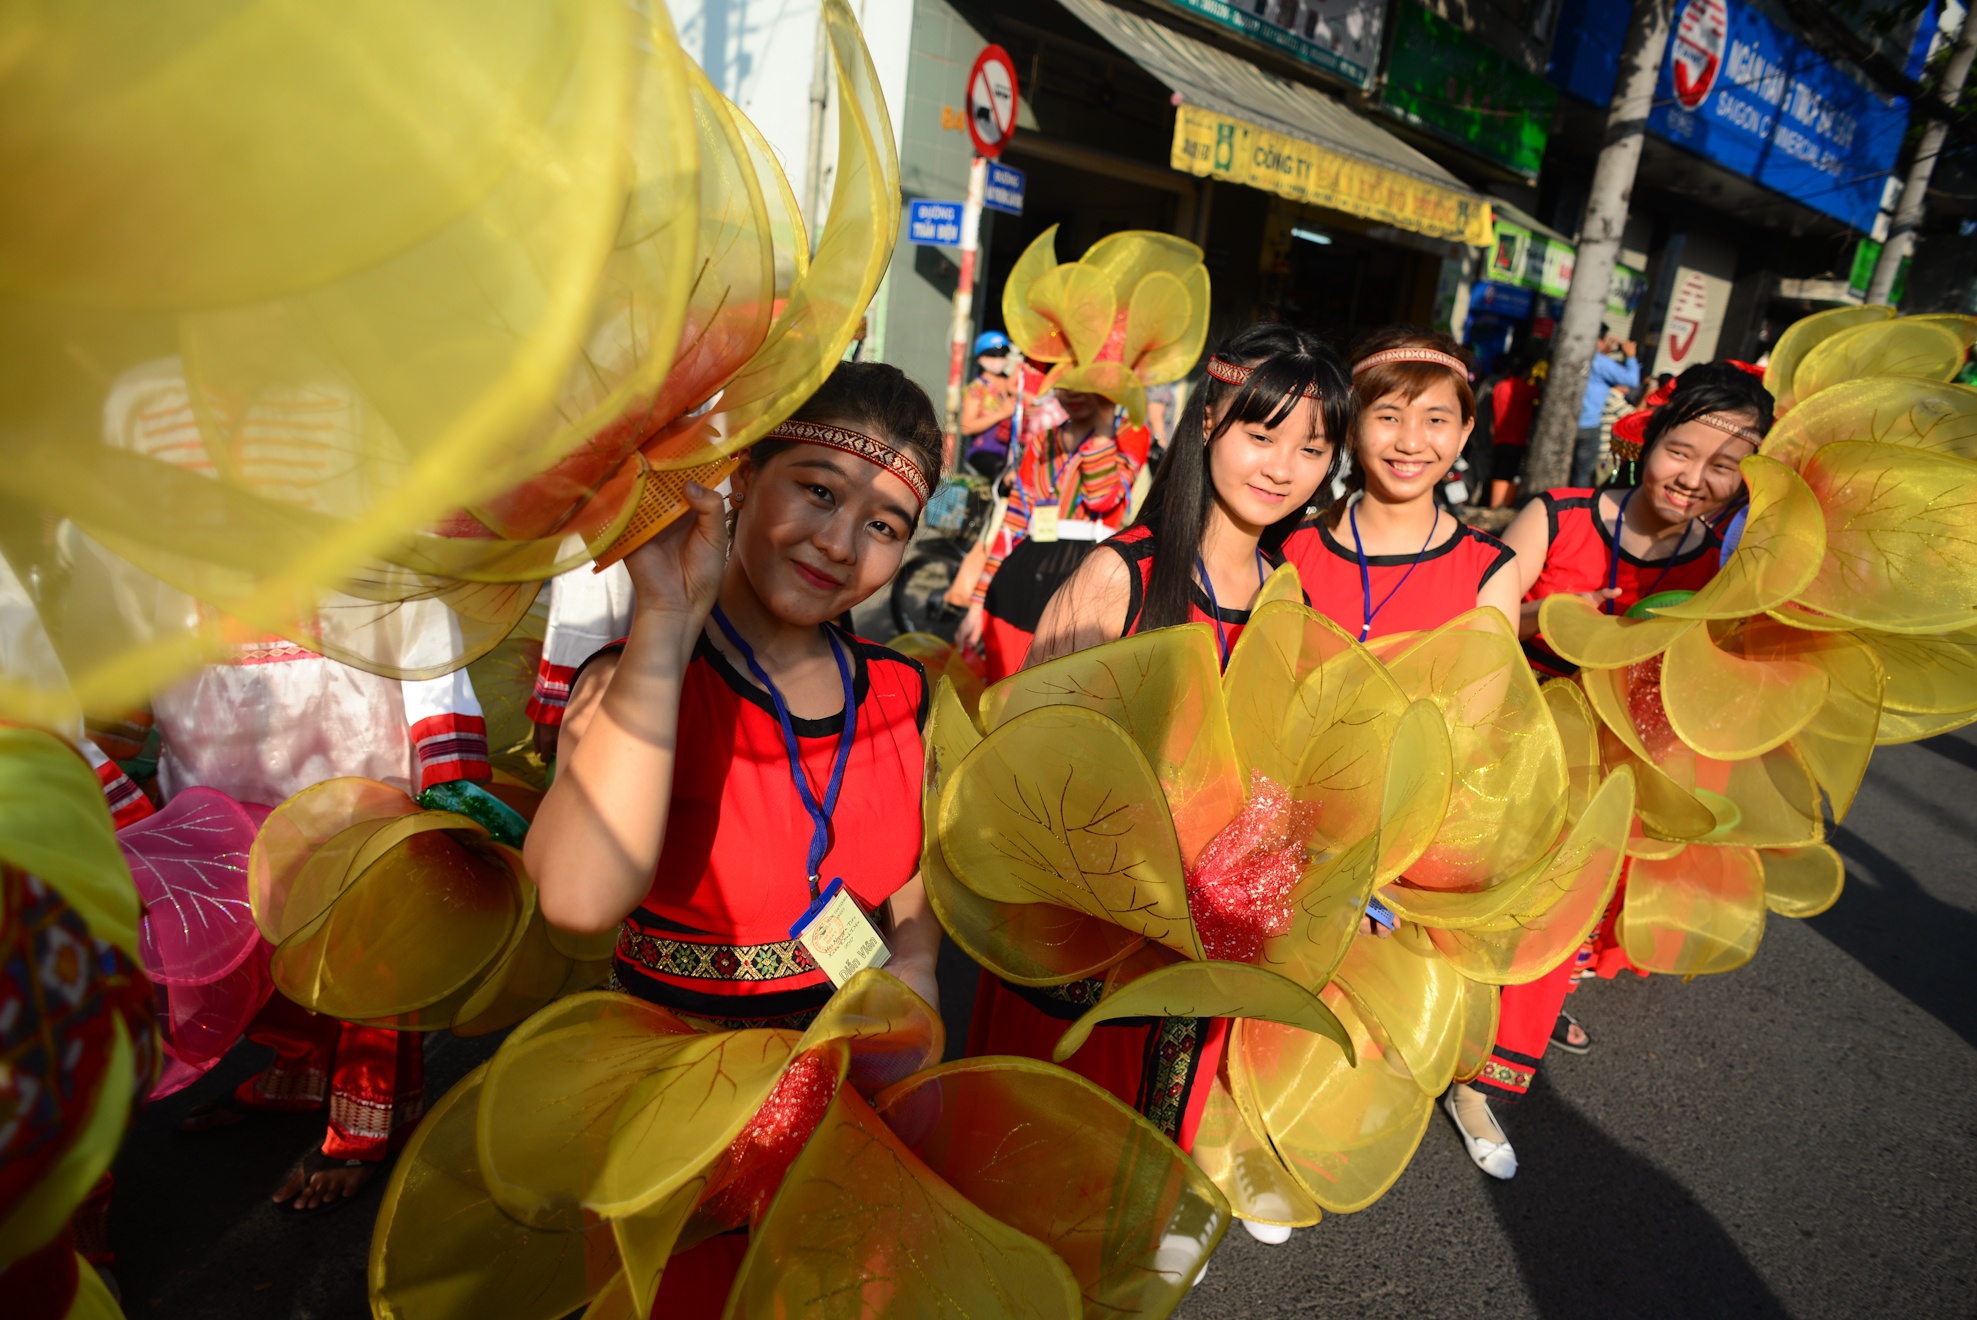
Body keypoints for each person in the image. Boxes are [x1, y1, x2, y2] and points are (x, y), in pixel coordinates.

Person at [966, 322, 1352, 1245]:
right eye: (1262, 435)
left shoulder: (1286, 596)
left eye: (1312, 447)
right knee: (1035, 1172)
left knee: (1143, 1173)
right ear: (1208, 422)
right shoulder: (1119, 574)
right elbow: (1025, 759)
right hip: (1082, 938)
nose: (1283, 467)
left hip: (1206, 943)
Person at [525, 361, 944, 1043]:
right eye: (817, 490)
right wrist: (666, 614)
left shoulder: (904, 691)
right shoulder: (632, 682)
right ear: (744, 476)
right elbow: (578, 901)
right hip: (668, 1094)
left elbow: (912, 870)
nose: (838, 544)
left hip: (848, 1089)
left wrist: (918, 957)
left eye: (883, 528)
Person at [1449, 361, 1774, 1179]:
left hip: (1611, 774)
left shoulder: (1718, 570)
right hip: (1504, 747)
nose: (1694, 480)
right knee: (1455, 910)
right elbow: (1476, 625)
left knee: (1553, 925)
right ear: (1648, 438)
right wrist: (1557, 620)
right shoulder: (1557, 517)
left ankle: (1477, 1085)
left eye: (1723, 466)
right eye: (1682, 451)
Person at [1282, 327, 1521, 647]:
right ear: (1352, 426)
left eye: (1435, 420)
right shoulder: (1290, 547)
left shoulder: (1488, 569)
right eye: (1389, 418)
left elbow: (1485, 694)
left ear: (1464, 432)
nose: (1410, 443)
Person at [955, 386, 1145, 680]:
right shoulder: (1042, 440)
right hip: (1014, 589)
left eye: (1084, 381)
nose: (1073, 392)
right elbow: (1013, 524)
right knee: (1004, 703)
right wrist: (977, 606)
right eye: (1064, 381)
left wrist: (1105, 423)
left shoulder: (1129, 433)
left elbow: (1102, 498)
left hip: (1085, 592)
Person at [1572, 326, 1641, 487]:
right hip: (1588, 425)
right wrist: (1630, 356)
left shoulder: (1572, 354)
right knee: (1582, 473)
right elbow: (1631, 379)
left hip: (1565, 422)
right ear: (1598, 341)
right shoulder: (1601, 363)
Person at [957, 330, 1020, 479]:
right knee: (1005, 476)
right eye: (992, 355)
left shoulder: (1013, 384)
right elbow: (967, 427)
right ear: (980, 358)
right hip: (986, 454)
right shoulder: (976, 389)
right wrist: (1002, 414)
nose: (998, 359)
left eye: (1002, 355)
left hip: (1014, 452)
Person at [1488, 353, 1539, 509]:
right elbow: (1540, 394)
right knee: (1507, 474)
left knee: (1499, 471)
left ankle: (1496, 504)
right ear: (1525, 372)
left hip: (1499, 437)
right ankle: (1499, 506)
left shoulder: (1500, 386)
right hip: (1516, 439)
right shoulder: (1525, 389)